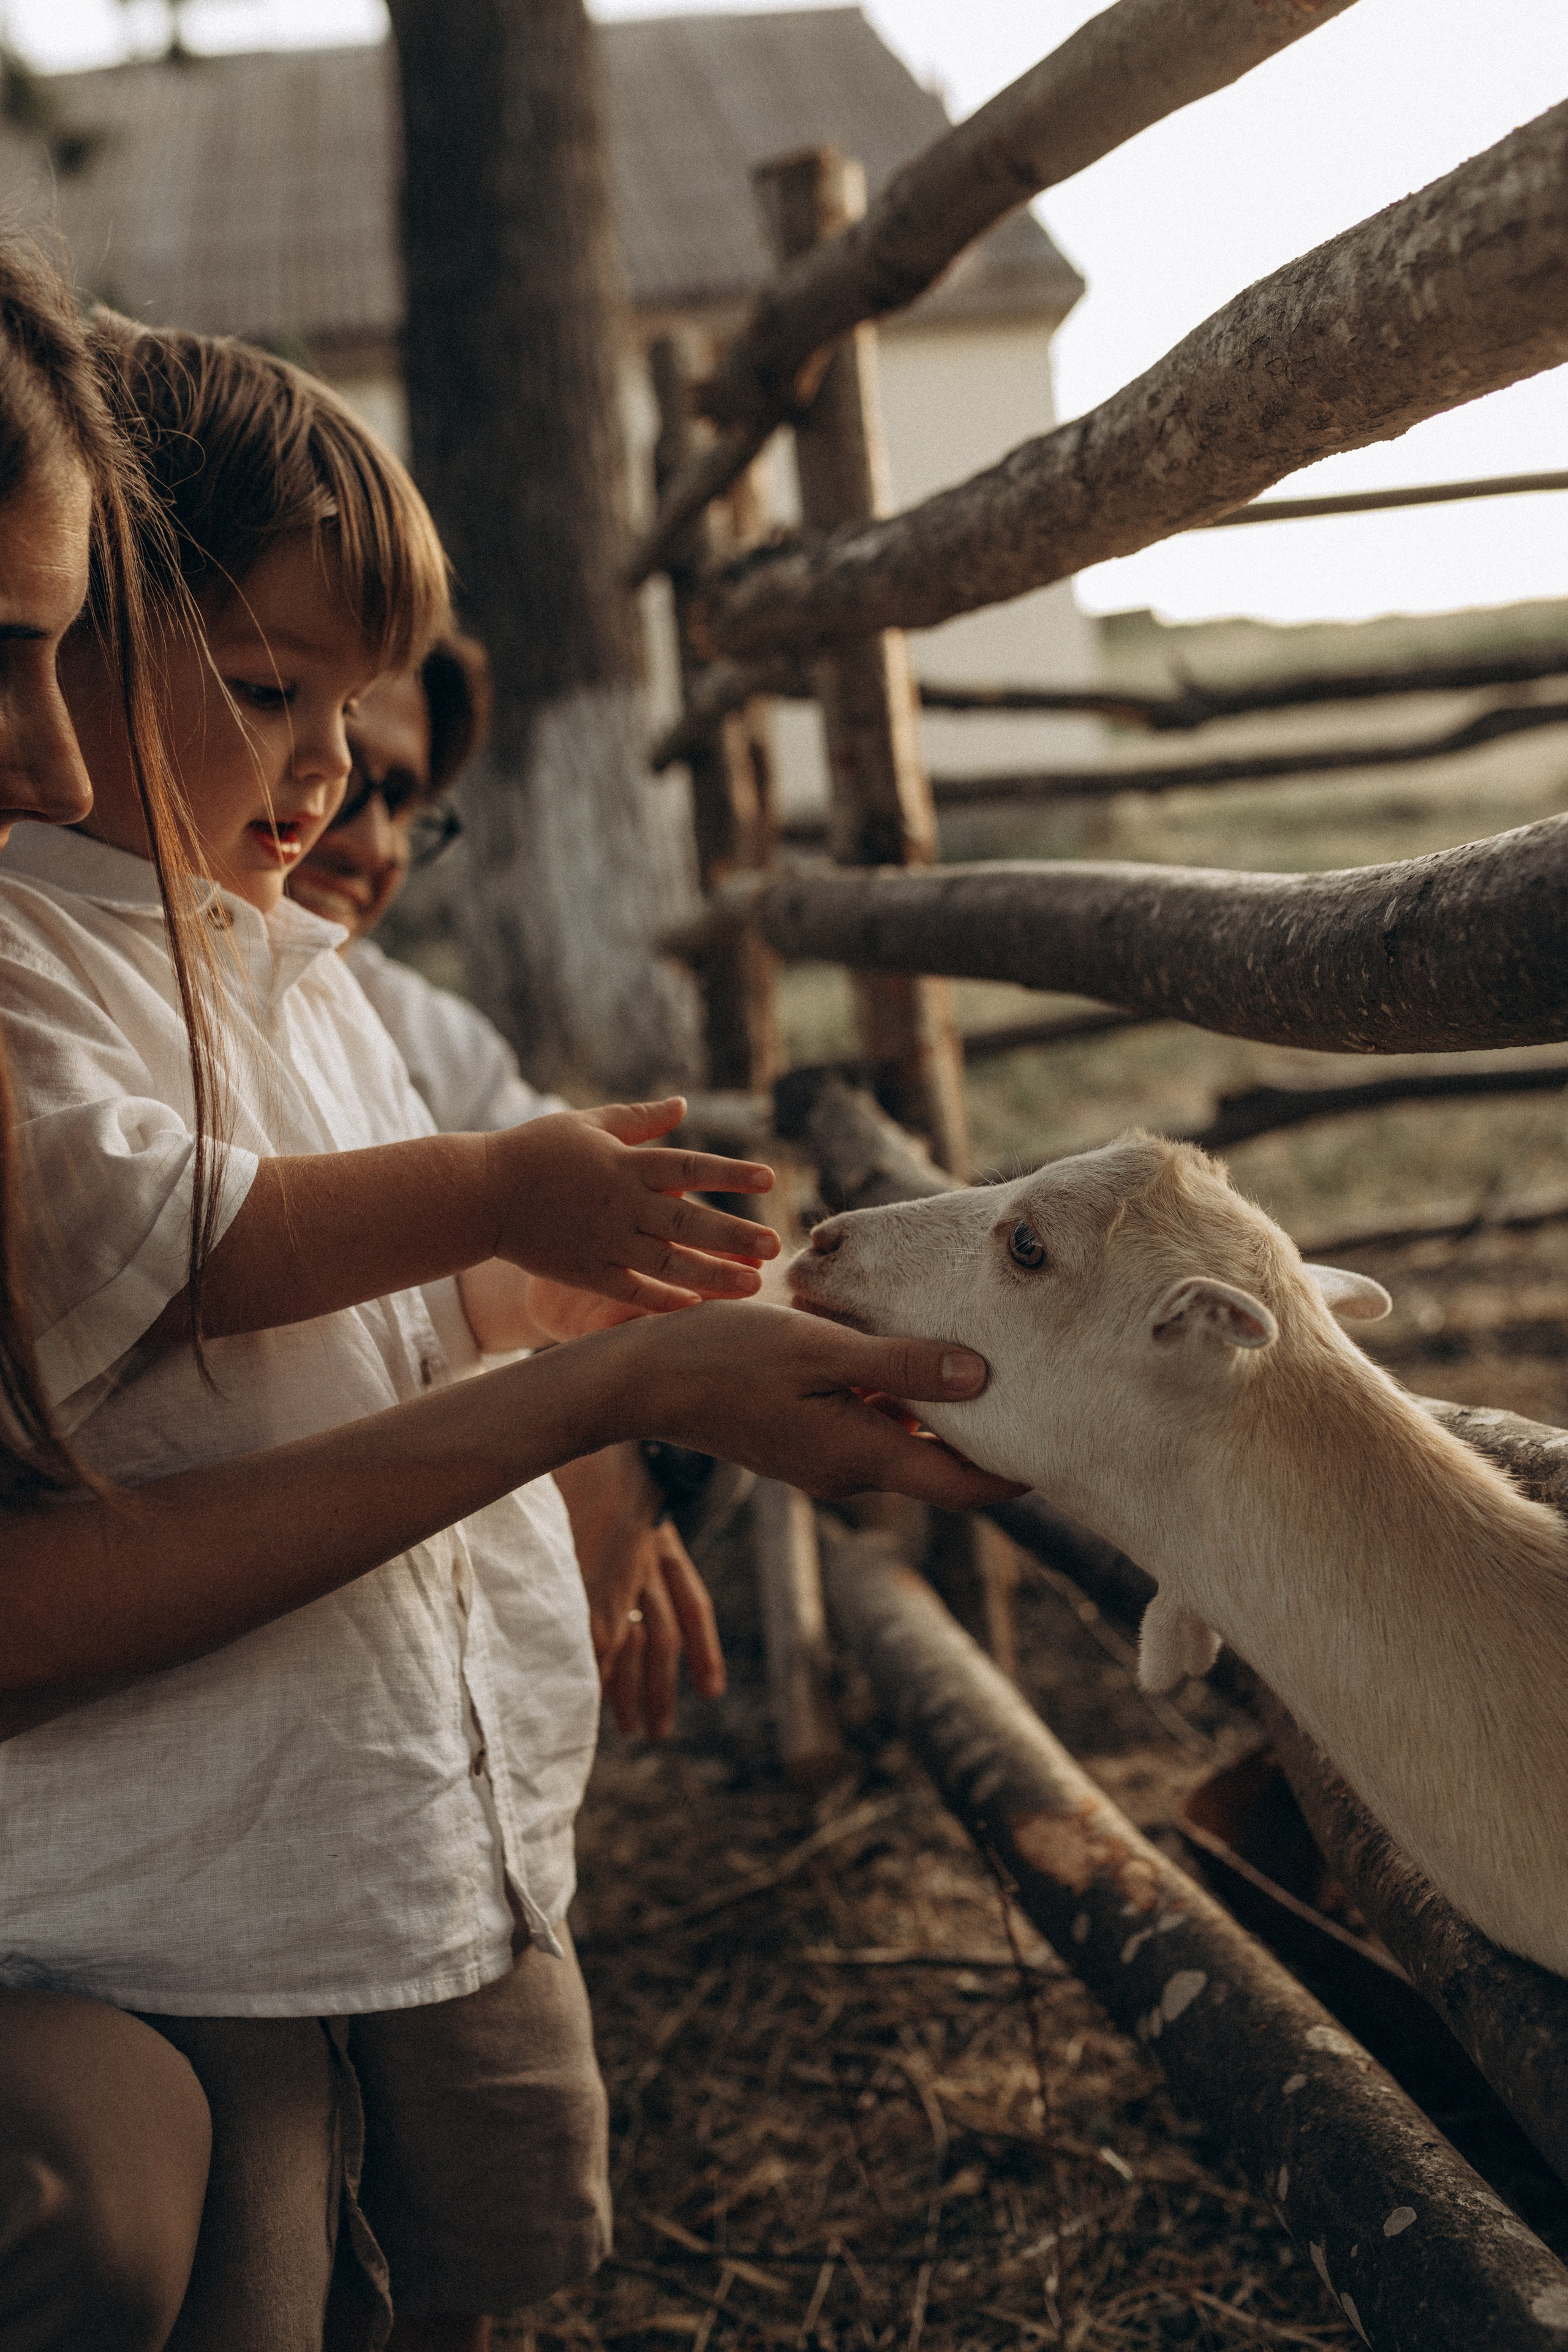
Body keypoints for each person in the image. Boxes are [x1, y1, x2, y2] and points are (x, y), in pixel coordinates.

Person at [0, 309, 1018, 2352]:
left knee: (496, 2213)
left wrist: (547, 1315)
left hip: (410, 1797)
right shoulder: (36, 952)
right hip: (199, 1859)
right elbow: (139, 1233)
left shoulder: (296, 968)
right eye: (274, 693)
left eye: (354, 719)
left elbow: (353, 1298)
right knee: (244, 2253)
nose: (327, 775)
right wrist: (490, 1199)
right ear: (107, 627)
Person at [290, 637, 729, 1743]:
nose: (370, 838)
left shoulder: (425, 1033)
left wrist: (617, 1457)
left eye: (405, 799)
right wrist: (569, 1434)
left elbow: (617, 1253)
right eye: (342, 764)